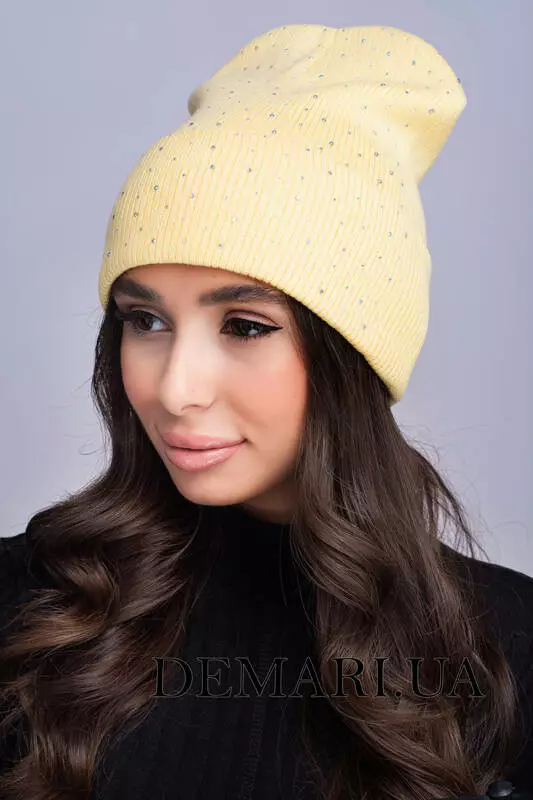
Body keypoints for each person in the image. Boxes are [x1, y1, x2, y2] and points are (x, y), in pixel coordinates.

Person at [1, 22, 532, 800]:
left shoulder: (507, 646)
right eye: (144, 320)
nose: (175, 388)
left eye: (244, 326)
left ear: (351, 356)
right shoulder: (30, 607)